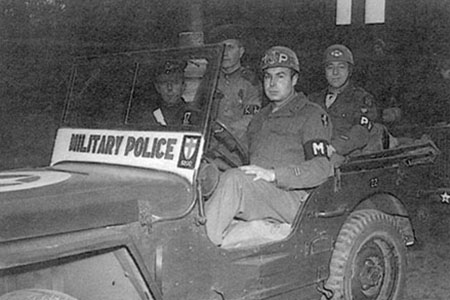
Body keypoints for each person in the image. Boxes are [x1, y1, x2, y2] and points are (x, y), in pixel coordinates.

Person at [205, 46, 333, 246]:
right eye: (268, 77)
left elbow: (322, 168)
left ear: (294, 80)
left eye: (280, 76)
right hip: (263, 194)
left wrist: (274, 174)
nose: (272, 84)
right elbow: (244, 158)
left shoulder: (311, 115)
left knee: (235, 181)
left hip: (294, 199)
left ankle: (201, 245)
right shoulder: (260, 118)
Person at [309, 44, 379, 156]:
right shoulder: (313, 100)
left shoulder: (361, 98)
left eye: (341, 67)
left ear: (349, 71)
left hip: (345, 157)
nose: (335, 73)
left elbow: (361, 132)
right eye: (330, 67)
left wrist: (334, 147)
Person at [208, 25, 263, 142]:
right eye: (222, 48)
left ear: (241, 52)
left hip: (239, 144)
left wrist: (226, 132)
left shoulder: (250, 81)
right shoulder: (210, 80)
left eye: (230, 47)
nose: (225, 53)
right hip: (210, 143)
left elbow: (251, 118)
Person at [148, 60, 196, 126]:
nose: (169, 88)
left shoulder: (195, 115)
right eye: (164, 82)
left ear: (183, 86)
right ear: (157, 87)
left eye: (175, 82)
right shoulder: (146, 115)